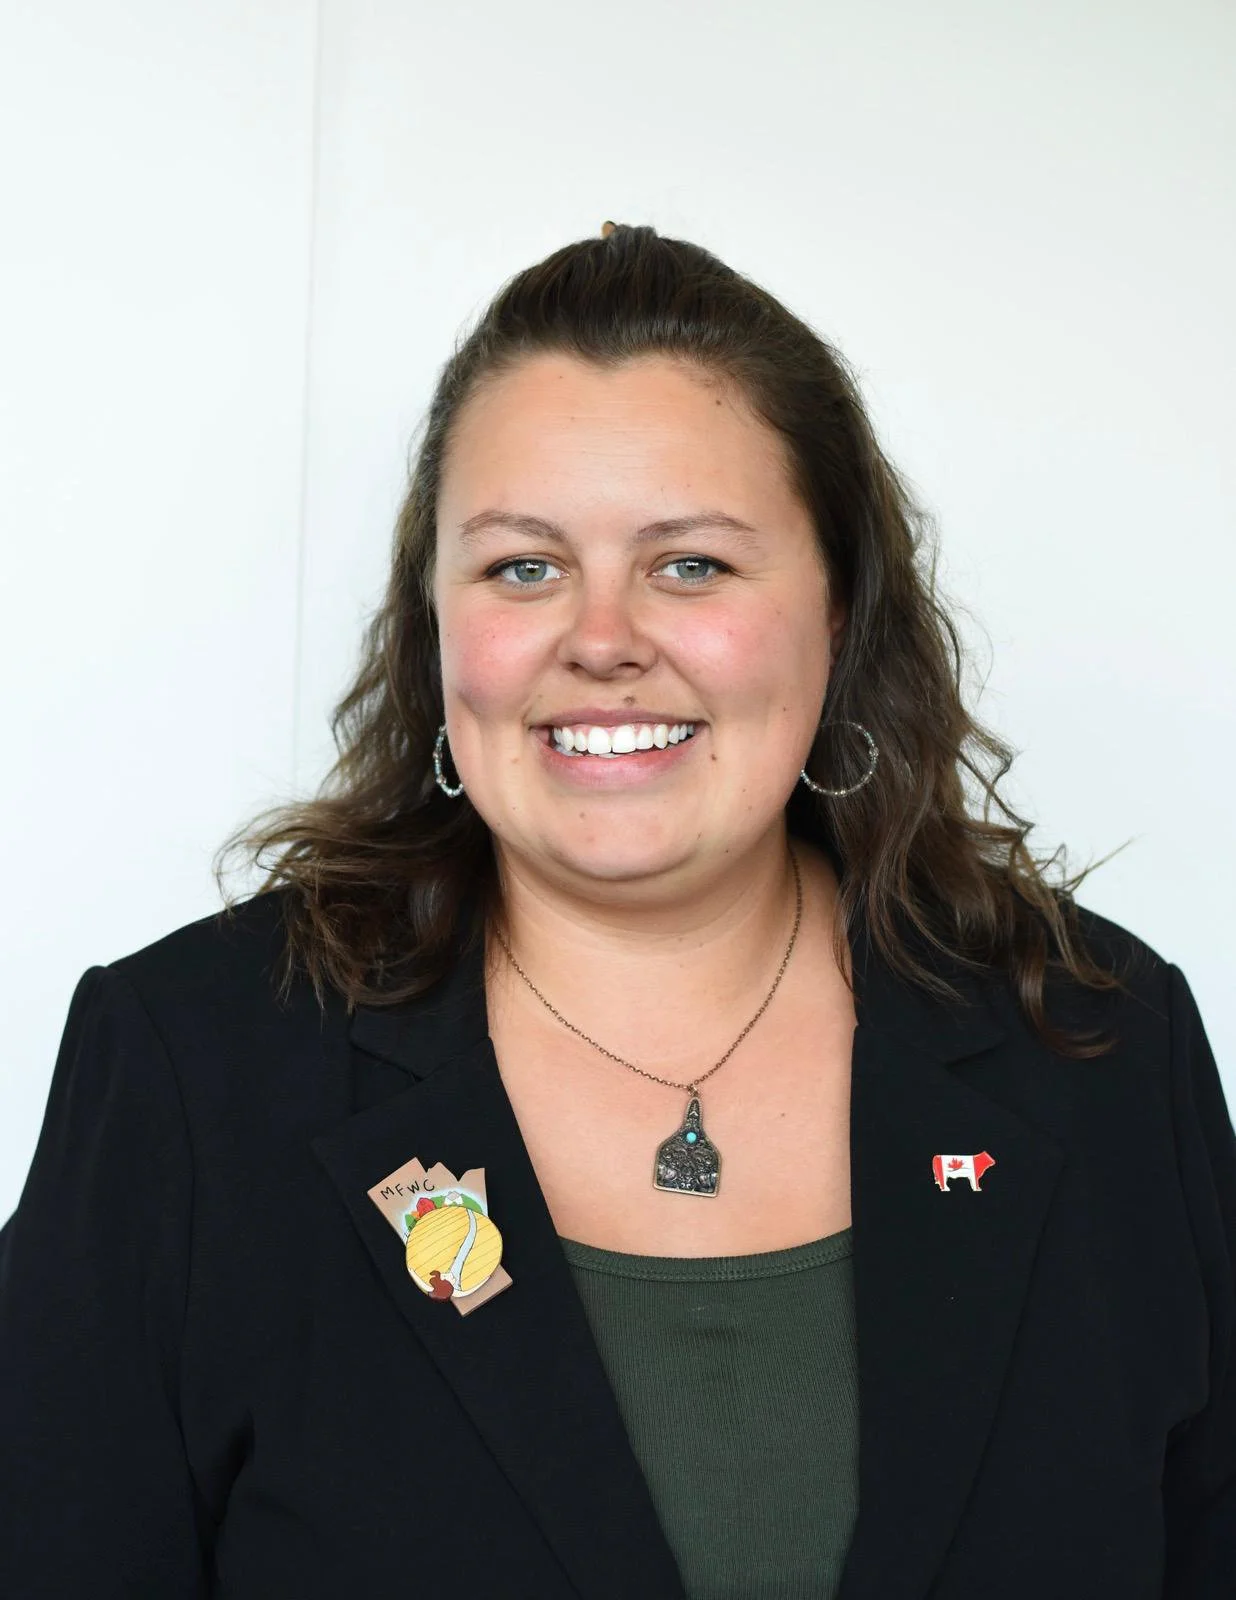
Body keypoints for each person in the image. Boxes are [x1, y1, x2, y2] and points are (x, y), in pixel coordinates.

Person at [0, 222, 1232, 1600]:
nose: (600, 637)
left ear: (840, 616)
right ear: (436, 633)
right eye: (523, 567)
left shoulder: (1099, 1049)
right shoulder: (191, 1070)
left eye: (691, 564)